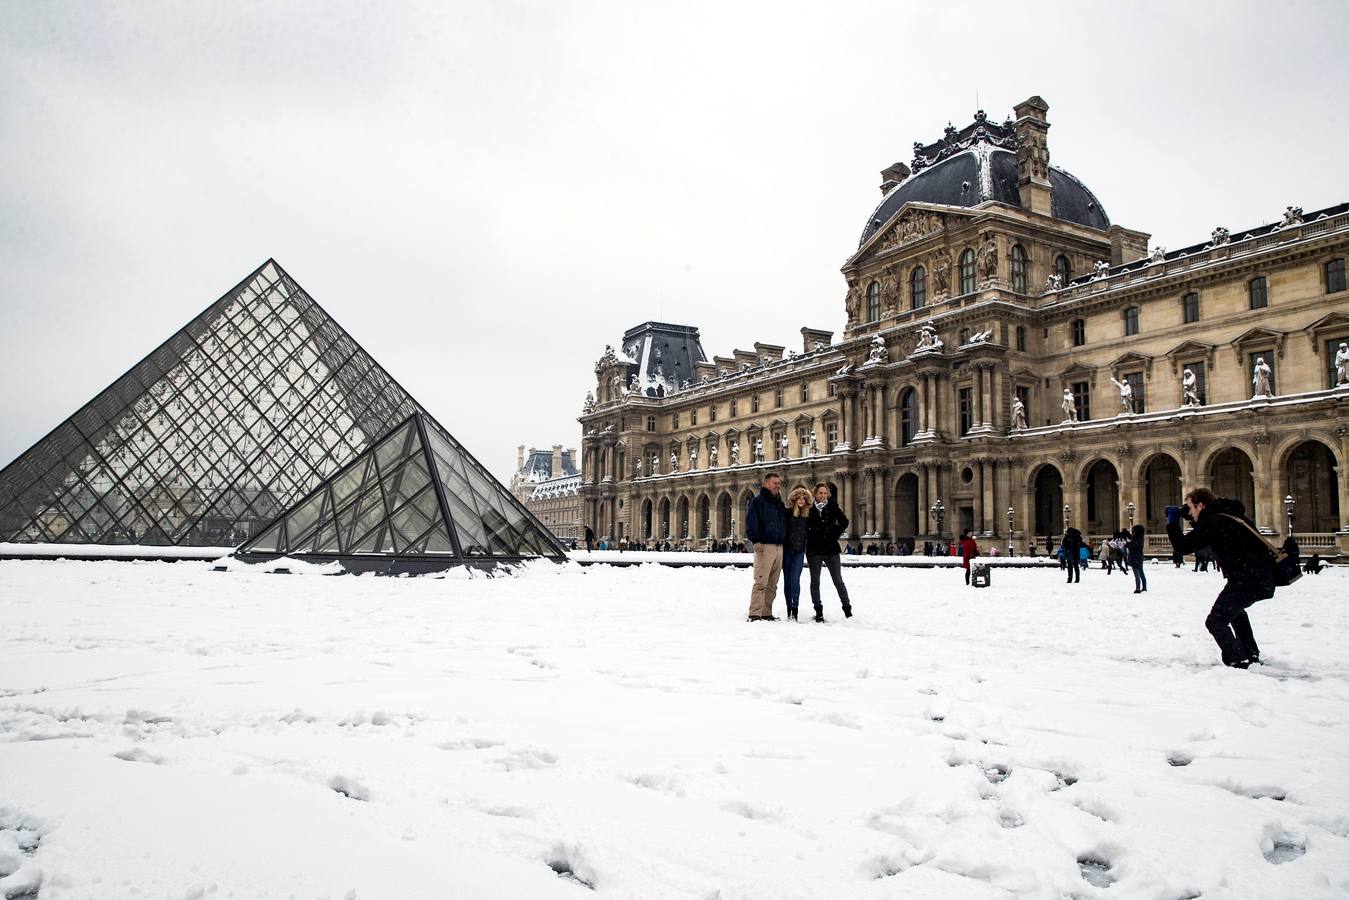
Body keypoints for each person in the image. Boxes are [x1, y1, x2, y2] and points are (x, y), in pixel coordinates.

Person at [1165, 488, 1276, 668]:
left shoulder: (1215, 521)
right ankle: (1251, 654)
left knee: (1215, 621)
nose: (1188, 512)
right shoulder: (1226, 515)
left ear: (1201, 505)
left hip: (1247, 578)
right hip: (1259, 577)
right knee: (1235, 613)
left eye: (1190, 508)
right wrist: (1189, 515)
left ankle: (1237, 660)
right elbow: (1205, 533)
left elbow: (1183, 547)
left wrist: (1172, 522)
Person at [805, 482, 852, 621]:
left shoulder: (832, 506)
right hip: (814, 550)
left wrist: (834, 534)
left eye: (825, 493)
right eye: (820, 493)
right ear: (815, 494)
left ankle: (847, 609)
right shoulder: (809, 508)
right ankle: (818, 611)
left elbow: (844, 521)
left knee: (838, 580)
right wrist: (811, 534)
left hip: (831, 548)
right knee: (815, 581)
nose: (823, 495)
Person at [745, 472, 787, 622]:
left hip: (778, 546)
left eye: (779, 483)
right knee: (761, 581)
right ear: (766, 484)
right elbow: (751, 522)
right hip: (764, 546)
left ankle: (766, 612)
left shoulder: (779, 504)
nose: (778, 485)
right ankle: (755, 613)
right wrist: (755, 541)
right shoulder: (758, 502)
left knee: (773, 584)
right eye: (775, 483)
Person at [782, 486, 811, 621]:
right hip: (787, 551)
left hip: (799, 552)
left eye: (804, 498)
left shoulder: (807, 516)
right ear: (794, 500)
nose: (801, 501)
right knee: (788, 581)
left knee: (795, 580)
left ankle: (795, 608)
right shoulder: (787, 514)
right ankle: (789, 609)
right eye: (799, 498)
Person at [1128, 524, 1147, 593]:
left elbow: (1132, 545)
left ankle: (1138, 588)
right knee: (1141, 572)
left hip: (1135, 557)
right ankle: (1144, 587)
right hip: (1139, 556)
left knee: (1137, 573)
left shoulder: (1136, 539)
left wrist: (1126, 544)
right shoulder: (1140, 538)